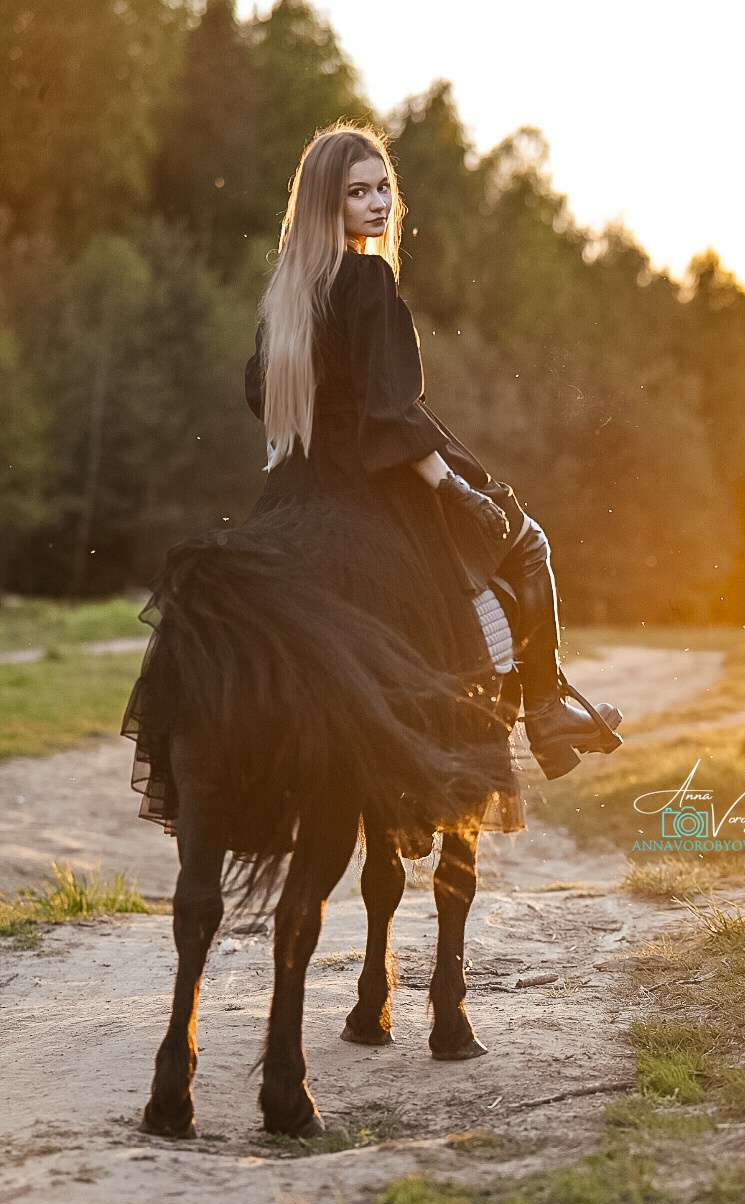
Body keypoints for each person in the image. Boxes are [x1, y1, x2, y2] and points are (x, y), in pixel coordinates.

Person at [245, 120, 622, 782]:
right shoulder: (364, 280)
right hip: (375, 486)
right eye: (357, 192)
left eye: (383, 187)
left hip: (301, 489)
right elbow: (392, 412)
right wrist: (458, 490)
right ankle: (547, 710)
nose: (378, 203)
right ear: (326, 204)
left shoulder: (286, 295)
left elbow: (262, 397)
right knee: (526, 539)